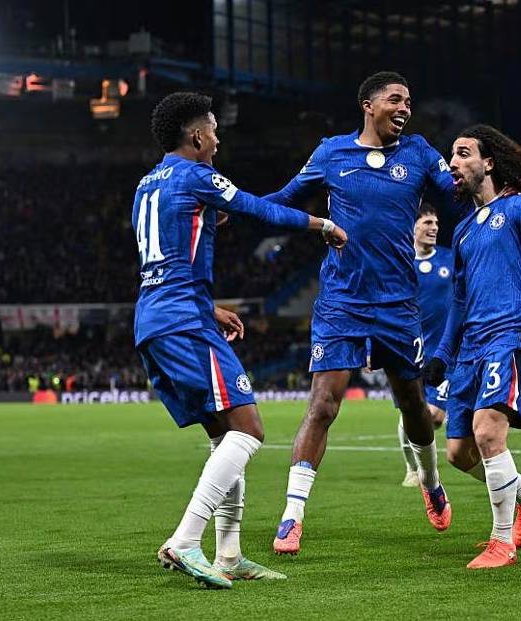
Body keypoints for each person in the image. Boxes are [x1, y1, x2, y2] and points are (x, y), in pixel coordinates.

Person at [133, 92, 347, 588]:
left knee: (224, 434)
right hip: (184, 323)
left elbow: (161, 262)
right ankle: (186, 539)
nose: (218, 140)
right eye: (213, 130)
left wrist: (209, 306)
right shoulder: (196, 175)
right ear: (196, 136)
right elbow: (257, 209)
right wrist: (322, 224)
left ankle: (228, 555)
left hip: (157, 318)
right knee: (249, 429)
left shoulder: (147, 185)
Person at [263, 71, 462, 555]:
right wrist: (232, 206)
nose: (405, 108)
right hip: (341, 302)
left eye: (409, 101)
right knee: (323, 405)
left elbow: (459, 192)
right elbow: (285, 199)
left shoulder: (418, 152)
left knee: (412, 404)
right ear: (368, 105)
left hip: (398, 305)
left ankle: (431, 482)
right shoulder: (331, 152)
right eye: (395, 99)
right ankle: (292, 515)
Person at [424, 124, 521, 569]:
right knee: (458, 453)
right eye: (451, 155)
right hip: (470, 346)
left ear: (488, 163)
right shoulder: (463, 231)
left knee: (488, 433)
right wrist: (442, 355)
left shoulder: (520, 208)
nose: (452, 163)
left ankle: (502, 542)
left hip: (509, 336)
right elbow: (459, 301)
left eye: (463, 153)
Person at [397, 204, 452, 487]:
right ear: (413, 226)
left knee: (434, 416)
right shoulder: (401, 263)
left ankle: (424, 470)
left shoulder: (449, 259)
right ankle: (412, 469)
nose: (434, 228)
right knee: (411, 411)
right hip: (409, 350)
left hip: (445, 352)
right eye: (428, 223)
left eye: (436, 223)